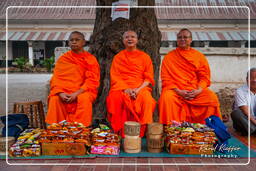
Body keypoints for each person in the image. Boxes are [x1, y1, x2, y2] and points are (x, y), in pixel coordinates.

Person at [158, 28, 221, 124]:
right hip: (176, 91)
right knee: (166, 98)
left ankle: (207, 128)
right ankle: (172, 129)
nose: (182, 39)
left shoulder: (199, 56)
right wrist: (178, 91)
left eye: (185, 37)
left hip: (194, 90)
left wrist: (198, 90)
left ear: (191, 40)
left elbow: (204, 77)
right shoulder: (169, 57)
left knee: (211, 98)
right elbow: (166, 78)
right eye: (179, 37)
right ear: (177, 40)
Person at [106, 30, 156, 137]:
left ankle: (140, 132)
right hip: (122, 88)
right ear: (123, 41)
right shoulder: (118, 57)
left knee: (147, 100)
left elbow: (148, 78)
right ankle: (120, 131)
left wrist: (137, 90)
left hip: (141, 88)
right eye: (127, 37)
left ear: (137, 40)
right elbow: (115, 77)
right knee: (115, 98)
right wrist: (126, 89)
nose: (130, 39)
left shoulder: (145, 57)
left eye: (132, 37)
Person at [46, 31, 100, 126]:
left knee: (84, 99)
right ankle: (57, 129)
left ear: (83, 42)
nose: (74, 42)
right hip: (64, 91)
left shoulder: (90, 59)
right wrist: (60, 92)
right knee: (55, 99)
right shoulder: (63, 59)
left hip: (83, 91)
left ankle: (80, 128)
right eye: (71, 40)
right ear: (68, 43)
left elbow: (92, 80)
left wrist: (76, 93)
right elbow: (56, 78)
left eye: (77, 40)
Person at [231, 68, 256, 135]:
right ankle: (252, 130)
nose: (254, 80)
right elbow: (246, 112)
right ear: (247, 79)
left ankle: (250, 131)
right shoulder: (240, 91)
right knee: (236, 113)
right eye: (251, 78)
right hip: (245, 121)